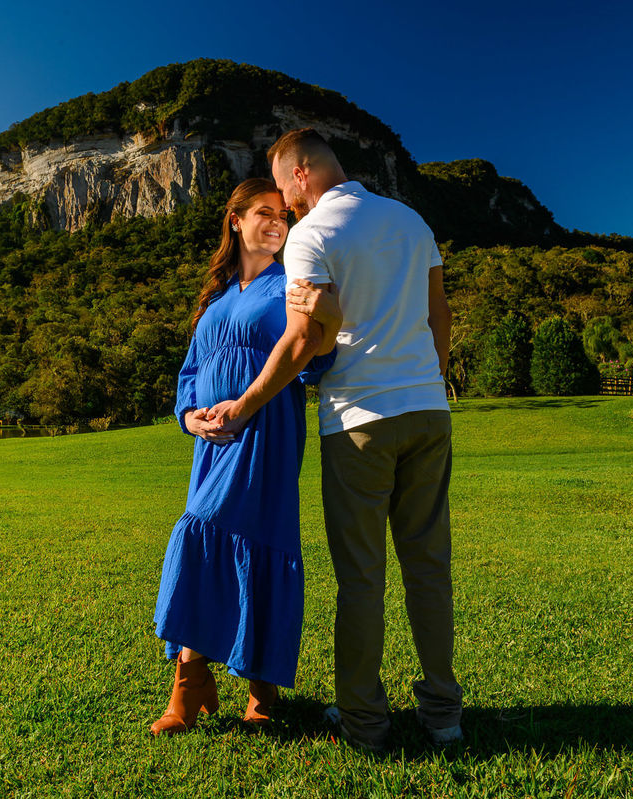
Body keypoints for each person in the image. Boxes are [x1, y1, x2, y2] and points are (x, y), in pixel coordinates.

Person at [207, 128, 462, 753]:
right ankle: (443, 717)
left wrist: (243, 404)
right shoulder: (409, 219)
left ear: (299, 174)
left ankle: (365, 723)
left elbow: (299, 342)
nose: (286, 208)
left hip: (359, 422)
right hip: (428, 412)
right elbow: (441, 316)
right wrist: (428, 380)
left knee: (362, 578)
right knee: (429, 570)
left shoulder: (313, 235)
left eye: (284, 189)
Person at [150, 178, 340, 735]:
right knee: (218, 535)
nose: (278, 222)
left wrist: (248, 403)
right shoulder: (215, 294)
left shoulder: (293, 282)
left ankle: (196, 682)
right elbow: (190, 372)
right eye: (264, 212)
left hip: (265, 429)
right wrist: (190, 416)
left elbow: (316, 353)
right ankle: (243, 685)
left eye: (284, 214)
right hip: (211, 442)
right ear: (235, 220)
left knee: (214, 531)